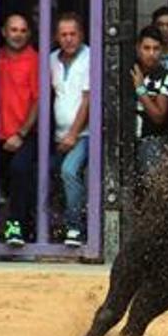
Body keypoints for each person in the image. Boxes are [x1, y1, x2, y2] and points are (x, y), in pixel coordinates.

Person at [0, 12, 39, 247]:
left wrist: (21, 133)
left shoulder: (35, 60)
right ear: (4, 31)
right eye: (13, 29)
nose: (18, 35)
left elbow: (38, 100)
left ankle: (16, 226)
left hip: (25, 134)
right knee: (3, 182)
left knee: (19, 172)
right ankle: (23, 225)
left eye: (23, 30)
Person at [51, 12, 91, 247]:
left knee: (69, 171)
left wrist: (73, 134)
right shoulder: (51, 59)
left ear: (81, 34)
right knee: (49, 176)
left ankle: (75, 227)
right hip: (56, 134)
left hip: (84, 135)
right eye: (63, 34)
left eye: (72, 34)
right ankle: (51, 226)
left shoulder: (89, 57)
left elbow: (88, 100)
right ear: (57, 37)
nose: (68, 39)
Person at [131, 25, 168, 182]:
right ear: (138, 48)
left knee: (153, 178)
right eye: (146, 48)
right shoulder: (128, 71)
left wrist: (141, 90)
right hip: (124, 137)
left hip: (150, 139)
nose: (151, 54)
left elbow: (158, 116)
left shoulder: (166, 77)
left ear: (161, 50)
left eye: (156, 49)